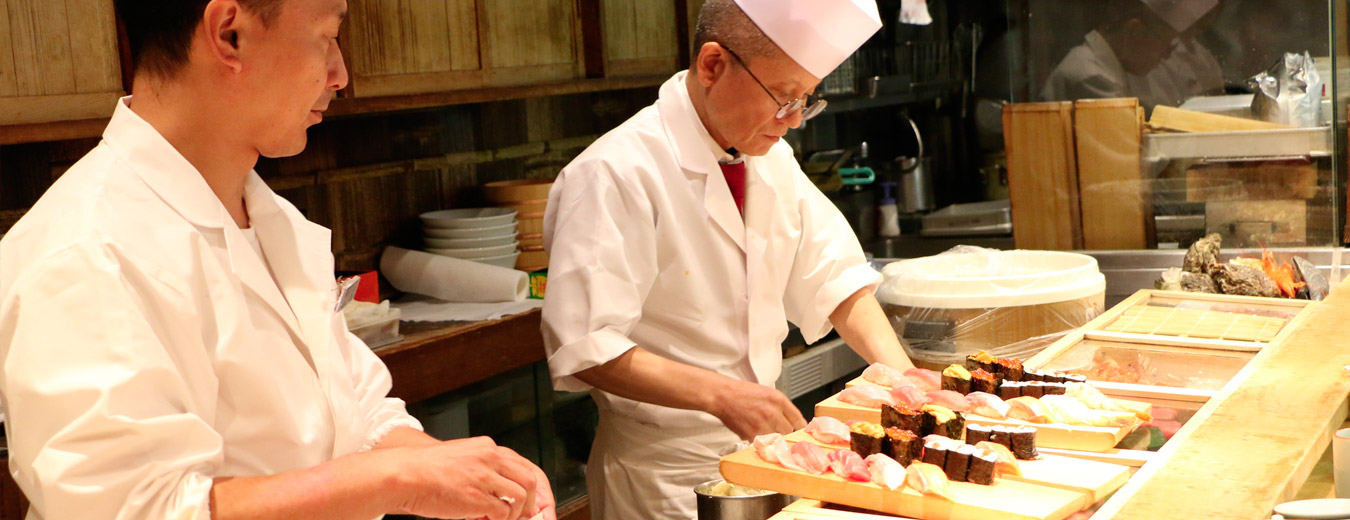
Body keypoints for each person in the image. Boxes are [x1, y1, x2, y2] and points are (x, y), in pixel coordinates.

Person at [0, 0, 553, 519]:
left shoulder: (269, 217)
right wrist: (398, 478)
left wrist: (472, 478)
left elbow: (357, 410)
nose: (340, 74)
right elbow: (140, 508)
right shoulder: (86, 252)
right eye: (327, 37)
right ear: (229, 35)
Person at [540, 0, 914, 518]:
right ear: (713, 65)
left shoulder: (771, 158)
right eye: (782, 97)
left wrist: (904, 381)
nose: (793, 121)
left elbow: (834, 275)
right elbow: (587, 345)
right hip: (663, 475)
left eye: (805, 100)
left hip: (765, 457)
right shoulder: (615, 171)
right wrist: (723, 396)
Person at [1040, 0, 1224, 111]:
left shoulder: (1104, 67)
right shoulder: (1092, 77)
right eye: (1166, 44)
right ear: (1135, 32)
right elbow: (1126, 151)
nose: (1166, 56)